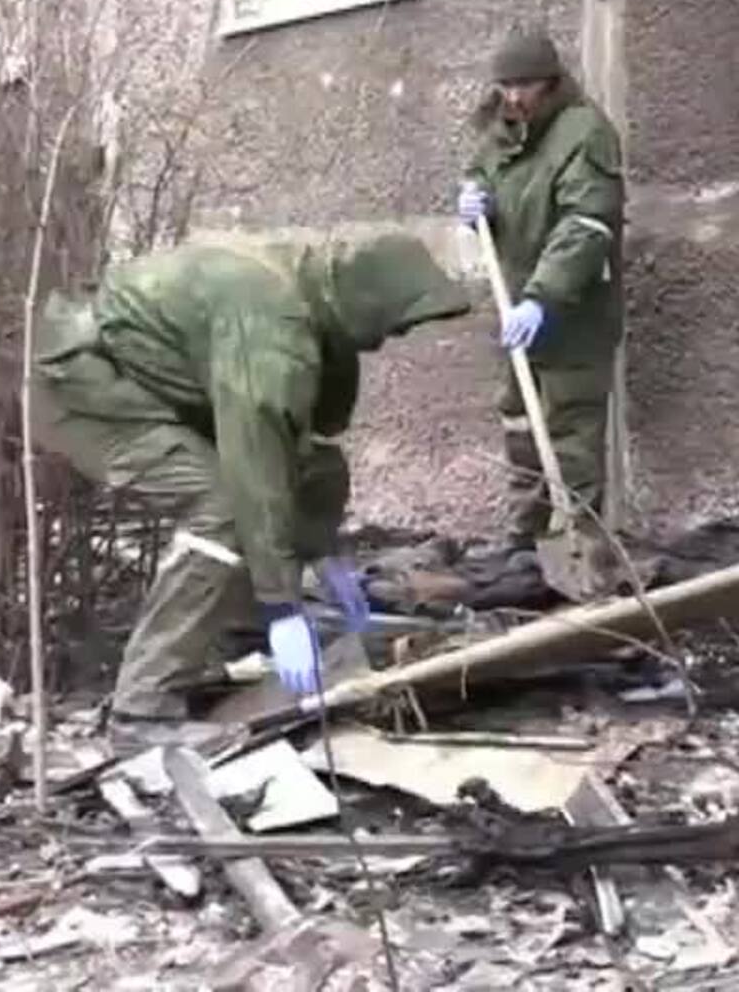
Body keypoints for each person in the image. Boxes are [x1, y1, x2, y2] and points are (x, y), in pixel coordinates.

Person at [30, 231, 471, 748]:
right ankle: (141, 712)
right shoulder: (272, 329)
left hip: (145, 381)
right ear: (370, 299)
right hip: (82, 386)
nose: (393, 336)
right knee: (220, 508)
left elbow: (303, 449)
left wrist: (325, 553)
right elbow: (256, 466)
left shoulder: (310, 306)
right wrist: (282, 606)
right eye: (397, 322)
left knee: (304, 475)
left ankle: (232, 643)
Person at [457, 26, 625, 542]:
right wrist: (475, 199)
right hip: (516, 304)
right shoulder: (503, 128)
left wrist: (542, 298)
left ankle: (583, 542)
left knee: (571, 428)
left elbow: (586, 225)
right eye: (505, 86)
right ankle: (525, 540)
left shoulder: (585, 133)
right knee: (520, 421)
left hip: (571, 309)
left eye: (523, 86)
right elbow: (483, 171)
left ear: (550, 82)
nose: (513, 97)